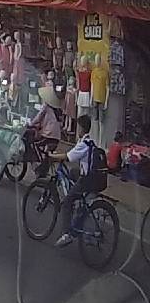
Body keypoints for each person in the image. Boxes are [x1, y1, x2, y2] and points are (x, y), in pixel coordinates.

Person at [50, 114, 102, 247]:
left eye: (78, 127)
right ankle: (77, 199)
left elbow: (68, 157)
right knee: (73, 171)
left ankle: (66, 234)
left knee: (66, 202)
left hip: (87, 180)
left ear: (82, 128)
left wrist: (53, 156)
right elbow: (73, 154)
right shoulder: (89, 142)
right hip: (91, 176)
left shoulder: (83, 144)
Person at [28, 85, 65, 173]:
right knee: (46, 152)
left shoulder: (46, 107)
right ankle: (44, 168)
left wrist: (31, 124)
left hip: (49, 135)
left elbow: (39, 117)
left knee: (34, 144)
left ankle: (39, 166)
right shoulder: (57, 110)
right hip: (57, 137)